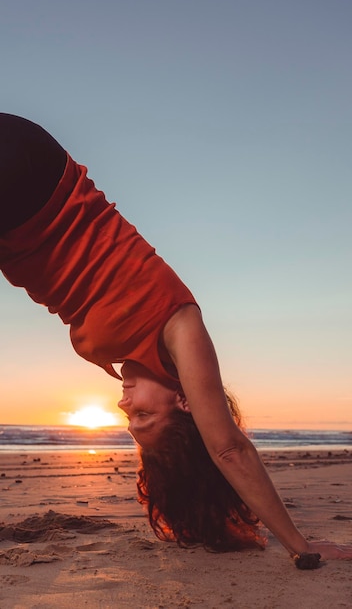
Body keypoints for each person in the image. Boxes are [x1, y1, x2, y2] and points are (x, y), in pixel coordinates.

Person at [0, 113, 351, 563]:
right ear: (186, 401)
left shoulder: (134, 350)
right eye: (145, 413)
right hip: (37, 183)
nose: (124, 405)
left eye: (131, 419)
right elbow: (227, 447)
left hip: (16, 221)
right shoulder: (181, 327)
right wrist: (301, 547)